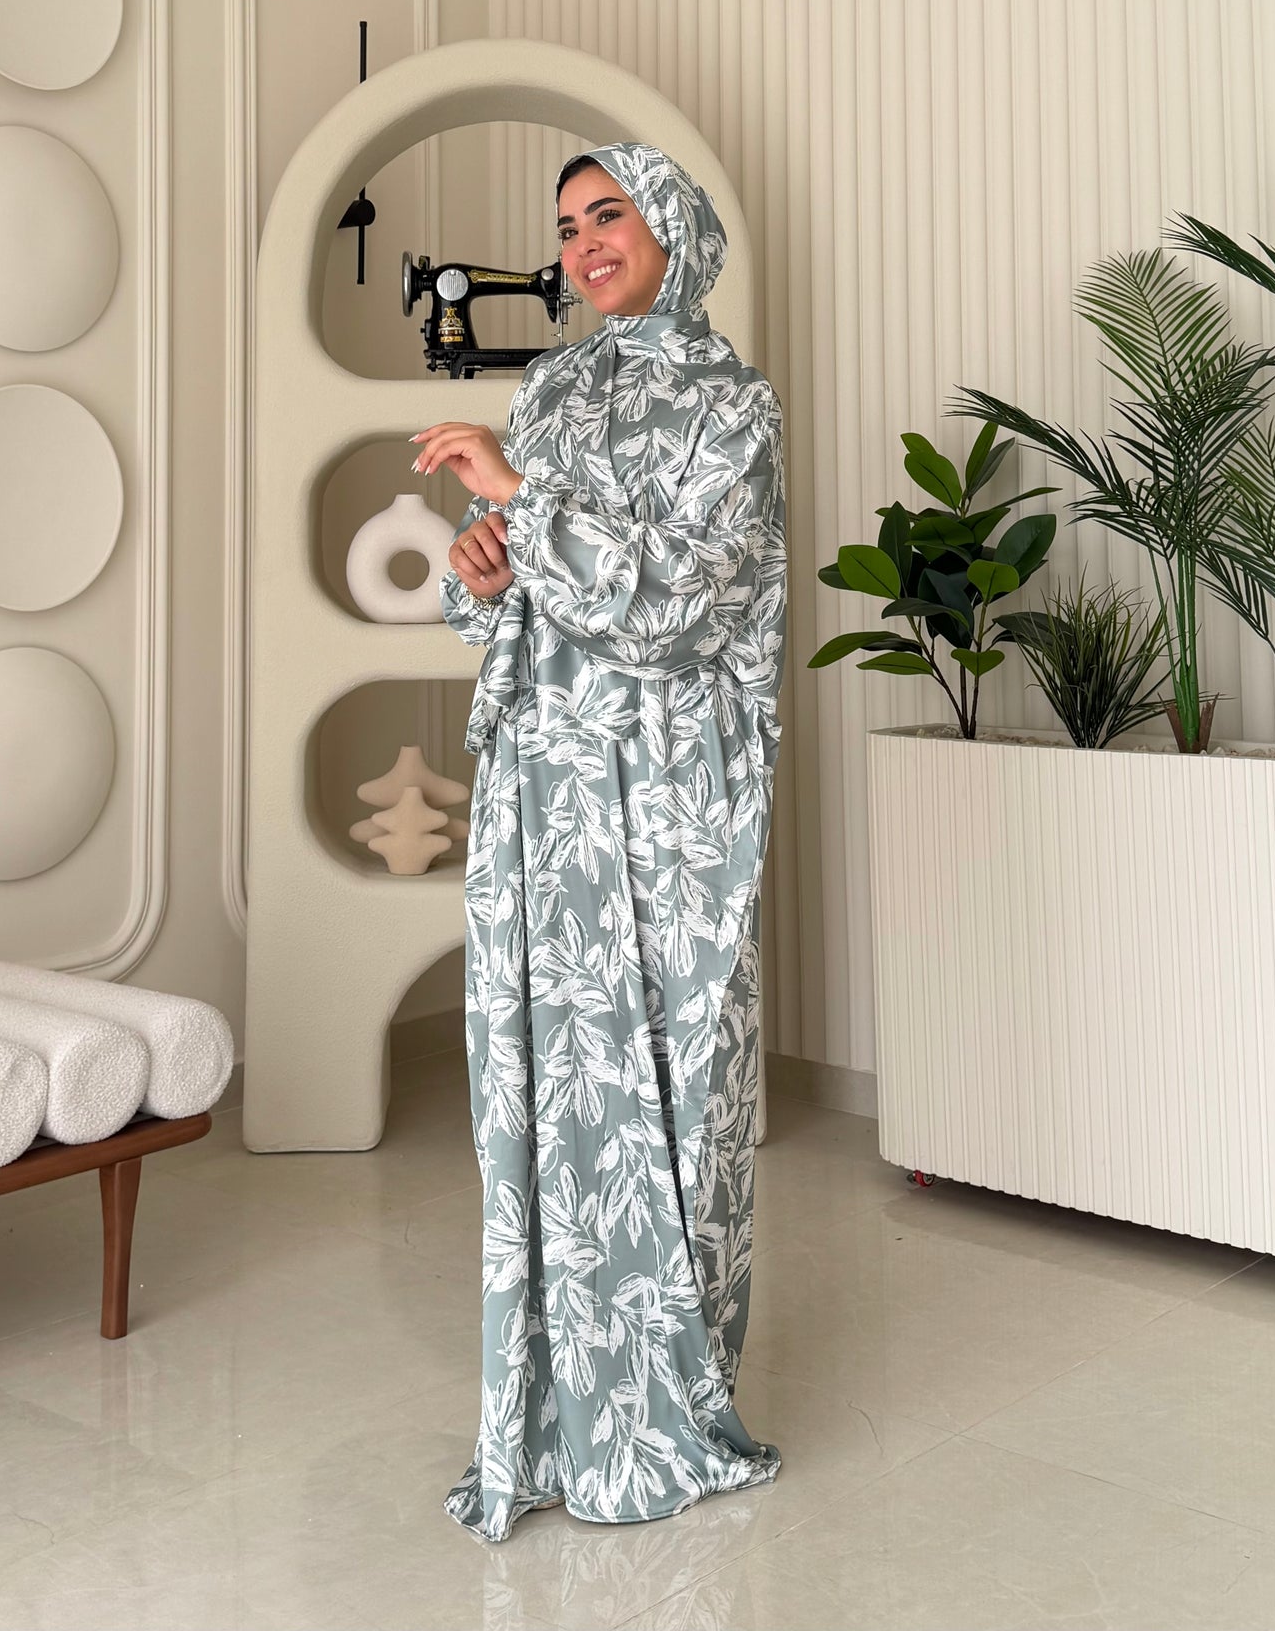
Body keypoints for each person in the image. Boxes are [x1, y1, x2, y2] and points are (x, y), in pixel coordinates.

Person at [413, 141, 787, 1544]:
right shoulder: (553, 390)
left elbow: (679, 604)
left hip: (674, 790)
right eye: (567, 227)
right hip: (547, 784)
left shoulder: (735, 407)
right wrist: (481, 569)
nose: (582, 244)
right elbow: (523, 594)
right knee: (549, 1077)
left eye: (607, 214)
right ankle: (555, 1413)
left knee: (676, 1084)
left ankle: (667, 1411)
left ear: (670, 227)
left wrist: (519, 498)